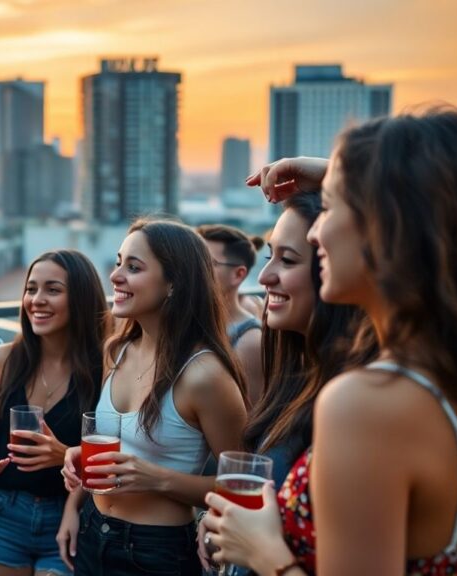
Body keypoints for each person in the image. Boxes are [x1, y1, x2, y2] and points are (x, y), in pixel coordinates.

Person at [204, 109, 457, 575]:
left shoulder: (366, 404)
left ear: (384, 226)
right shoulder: (449, 380)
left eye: (328, 207)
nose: (316, 231)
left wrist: (266, 555)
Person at [195, 192, 375, 573]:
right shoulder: (294, 376)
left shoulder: (359, 405)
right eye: (269, 256)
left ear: (334, 269)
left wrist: (262, 552)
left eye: (289, 260)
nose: (265, 277)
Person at [60, 218, 249, 576]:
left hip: (156, 551)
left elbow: (239, 487)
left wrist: (157, 478)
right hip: (91, 530)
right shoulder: (116, 350)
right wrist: (77, 465)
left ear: (174, 283)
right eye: (118, 263)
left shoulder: (204, 375)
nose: (116, 276)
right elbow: (117, 449)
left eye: (133, 267)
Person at [0, 250, 109, 576]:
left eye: (53, 290)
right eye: (31, 289)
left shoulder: (105, 368)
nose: (37, 300)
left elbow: (114, 451)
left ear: (82, 299)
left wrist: (65, 456)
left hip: (71, 516)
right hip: (2, 512)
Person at [197, 225, 265, 405]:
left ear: (238, 274)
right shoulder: (186, 321)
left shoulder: (250, 341)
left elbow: (249, 417)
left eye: (207, 263)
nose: (195, 270)